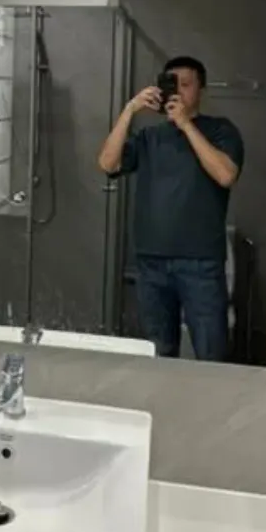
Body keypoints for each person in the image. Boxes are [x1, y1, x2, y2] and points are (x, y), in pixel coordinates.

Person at [97, 56, 243, 362]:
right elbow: (108, 163)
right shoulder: (150, 137)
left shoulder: (220, 130)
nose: (178, 91)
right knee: (159, 352)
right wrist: (130, 110)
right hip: (152, 262)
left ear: (201, 90)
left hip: (201, 263)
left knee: (211, 353)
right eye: (172, 84)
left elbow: (225, 175)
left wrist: (186, 124)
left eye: (186, 84)